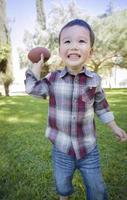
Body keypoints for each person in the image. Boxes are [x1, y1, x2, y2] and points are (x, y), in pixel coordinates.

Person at [25, 19, 127, 200]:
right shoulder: (53, 78)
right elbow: (33, 89)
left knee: (97, 189)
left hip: (88, 148)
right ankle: (64, 196)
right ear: (60, 51)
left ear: (91, 52)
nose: (73, 46)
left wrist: (114, 127)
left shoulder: (94, 80)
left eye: (81, 41)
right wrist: (35, 67)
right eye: (67, 41)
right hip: (61, 148)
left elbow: (101, 106)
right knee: (62, 184)